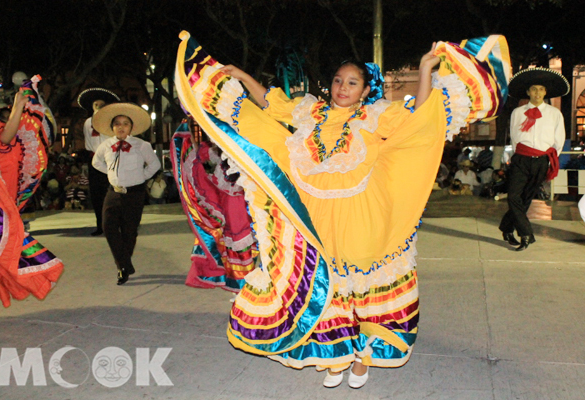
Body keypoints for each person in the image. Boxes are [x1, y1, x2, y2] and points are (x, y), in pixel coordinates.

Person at [175, 31, 510, 388]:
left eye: (352, 82)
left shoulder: (376, 115)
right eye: (337, 81)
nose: (342, 87)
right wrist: (242, 77)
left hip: (361, 209)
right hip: (314, 209)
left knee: (361, 277)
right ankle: (335, 353)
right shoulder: (309, 110)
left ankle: (364, 354)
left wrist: (426, 69)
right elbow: (270, 104)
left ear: (365, 90)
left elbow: (419, 121)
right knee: (327, 279)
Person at [0, 79, 64, 307]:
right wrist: (19, 105)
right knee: (3, 240)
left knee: (5, 243)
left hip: (6, 200)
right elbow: (4, 139)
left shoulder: (25, 139)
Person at [171, 116, 258, 291]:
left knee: (239, 234)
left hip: (240, 199)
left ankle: (242, 279)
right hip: (222, 197)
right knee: (224, 233)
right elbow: (195, 159)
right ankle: (226, 276)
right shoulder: (210, 149)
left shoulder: (245, 144)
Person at [498, 67, 569, 251]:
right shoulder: (518, 113)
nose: (537, 93)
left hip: (541, 161)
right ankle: (526, 234)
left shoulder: (554, 114)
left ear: (546, 92)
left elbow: (558, 141)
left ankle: (507, 228)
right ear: (528, 92)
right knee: (513, 196)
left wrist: (548, 161)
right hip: (521, 159)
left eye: (541, 89)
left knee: (526, 198)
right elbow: (514, 138)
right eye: (534, 89)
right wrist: (518, 156)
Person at [92, 103, 160, 285]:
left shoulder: (141, 145)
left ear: (131, 127)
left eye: (125, 123)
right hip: (113, 192)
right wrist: (111, 174)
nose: (121, 127)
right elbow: (96, 162)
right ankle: (124, 265)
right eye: (117, 124)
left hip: (134, 193)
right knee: (108, 227)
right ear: (112, 127)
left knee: (129, 232)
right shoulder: (106, 145)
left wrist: (141, 177)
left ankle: (123, 266)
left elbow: (155, 165)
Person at [77, 88, 120, 236]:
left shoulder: (111, 122)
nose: (99, 107)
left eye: (102, 105)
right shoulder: (88, 122)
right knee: (97, 195)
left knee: (114, 192)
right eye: (96, 104)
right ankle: (100, 225)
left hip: (110, 159)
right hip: (94, 160)